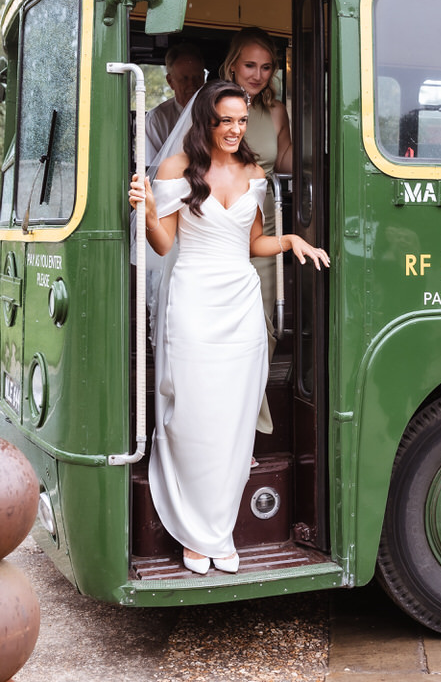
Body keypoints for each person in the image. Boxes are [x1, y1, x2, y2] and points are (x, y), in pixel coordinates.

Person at [128, 80, 330, 575]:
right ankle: (195, 534)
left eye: (241, 120)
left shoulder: (254, 172)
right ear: (206, 122)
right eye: (226, 120)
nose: (236, 129)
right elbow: (161, 246)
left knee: (236, 418)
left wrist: (290, 243)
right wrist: (150, 211)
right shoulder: (179, 168)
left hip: (240, 305)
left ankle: (219, 529)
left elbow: (251, 243)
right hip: (193, 299)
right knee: (194, 415)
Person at [219, 27, 294, 435]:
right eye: (250, 65)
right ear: (233, 64)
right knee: (225, 319)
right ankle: (228, 419)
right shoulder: (213, 104)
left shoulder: (278, 110)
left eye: (267, 67)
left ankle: (249, 418)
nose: (258, 74)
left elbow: (285, 162)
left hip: (265, 217)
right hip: (222, 220)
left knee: (263, 322)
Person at [146, 43, 206, 161]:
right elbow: (151, 168)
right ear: (170, 81)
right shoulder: (156, 120)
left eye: (197, 78)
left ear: (204, 77)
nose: (192, 85)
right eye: (184, 79)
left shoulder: (216, 112)